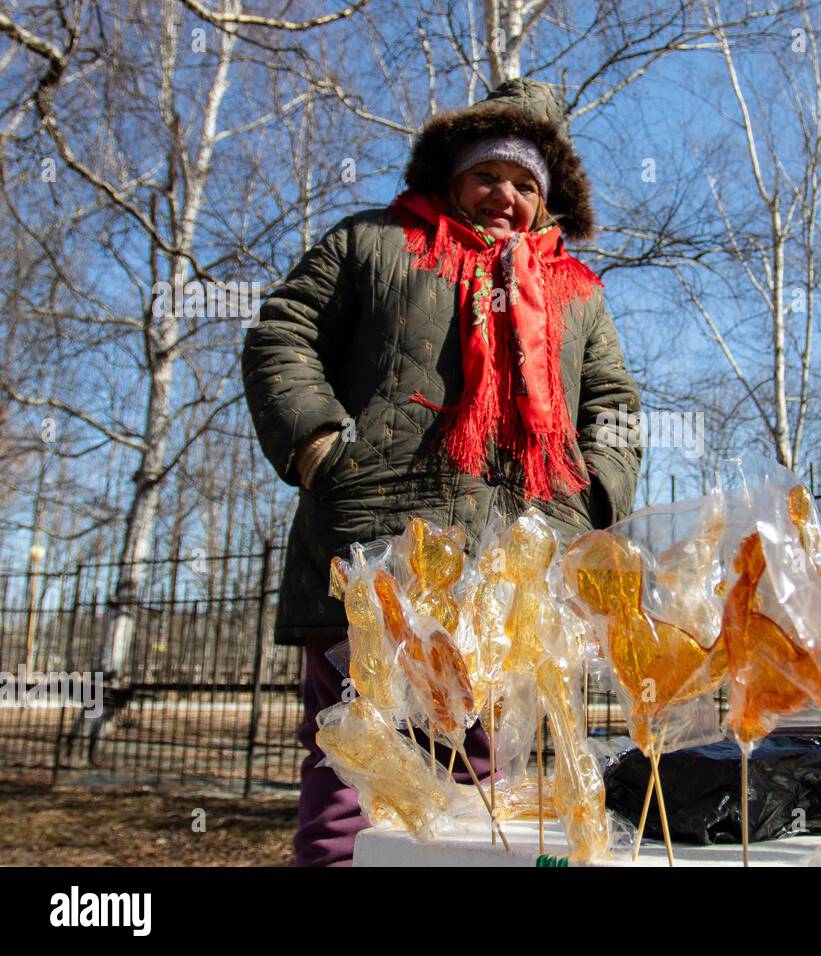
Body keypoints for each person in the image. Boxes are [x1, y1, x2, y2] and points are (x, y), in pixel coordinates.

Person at [242, 78, 643, 866]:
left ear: (547, 198)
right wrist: (321, 450)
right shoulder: (374, 242)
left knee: (480, 796)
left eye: (526, 183)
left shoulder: (579, 295)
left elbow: (617, 406)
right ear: (452, 176)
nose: (505, 194)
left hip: (512, 580)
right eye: (488, 173)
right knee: (351, 785)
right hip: (378, 557)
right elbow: (281, 332)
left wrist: (593, 496)